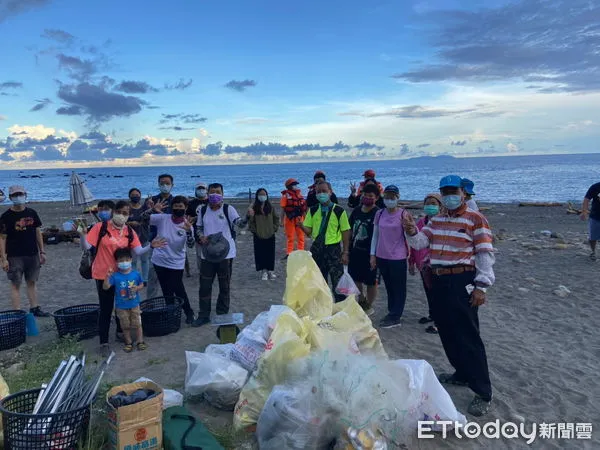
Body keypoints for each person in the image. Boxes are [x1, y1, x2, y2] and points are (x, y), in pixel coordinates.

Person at [403, 174, 495, 416]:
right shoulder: (438, 219)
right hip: (439, 279)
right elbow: (421, 243)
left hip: (462, 280)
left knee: (468, 335)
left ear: (463, 193)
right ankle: (461, 373)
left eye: (453, 191)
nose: (449, 196)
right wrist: (412, 231)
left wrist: (481, 286)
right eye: (445, 192)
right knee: (446, 329)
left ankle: (483, 391)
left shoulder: (476, 219)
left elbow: (484, 253)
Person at [79, 200, 165, 356]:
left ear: (129, 215)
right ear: (114, 212)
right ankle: (104, 342)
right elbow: (87, 247)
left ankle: (120, 332)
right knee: (105, 309)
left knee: (122, 304)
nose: (122, 215)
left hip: (123, 275)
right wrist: (82, 236)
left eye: (126, 213)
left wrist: (151, 246)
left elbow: (138, 251)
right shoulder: (100, 228)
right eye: (120, 212)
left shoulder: (129, 231)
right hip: (103, 275)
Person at [193, 183, 247, 327]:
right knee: (204, 285)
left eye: (217, 192)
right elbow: (198, 227)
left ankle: (222, 312)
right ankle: (203, 315)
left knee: (224, 285)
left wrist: (248, 217)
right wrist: (201, 236)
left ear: (222, 194)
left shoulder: (228, 209)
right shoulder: (203, 210)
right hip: (207, 254)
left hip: (226, 254)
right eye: (212, 192)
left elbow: (240, 224)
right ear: (207, 193)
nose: (214, 194)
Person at [145, 195, 196, 324]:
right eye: (175, 206)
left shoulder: (187, 224)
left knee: (178, 288)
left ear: (185, 208)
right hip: (159, 260)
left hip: (176, 262)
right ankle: (171, 313)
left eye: (181, 206)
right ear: (171, 208)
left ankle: (189, 312)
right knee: (166, 289)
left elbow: (190, 244)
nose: (178, 208)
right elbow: (143, 219)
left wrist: (189, 232)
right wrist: (152, 210)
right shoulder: (163, 218)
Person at [0, 185, 49, 316]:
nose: (18, 197)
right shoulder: (6, 217)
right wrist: (3, 259)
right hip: (14, 256)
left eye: (20, 194)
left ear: (25, 195)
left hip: (32, 253)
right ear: (10, 197)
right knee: (16, 284)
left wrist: (42, 251)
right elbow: (2, 238)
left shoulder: (32, 213)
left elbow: (38, 232)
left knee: (32, 282)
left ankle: (35, 308)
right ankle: (17, 312)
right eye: (15, 195)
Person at [301, 181, 351, 302]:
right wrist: (300, 225)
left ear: (330, 192)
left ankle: (341, 308)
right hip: (317, 250)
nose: (321, 194)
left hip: (333, 249)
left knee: (338, 282)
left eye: (324, 191)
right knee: (319, 282)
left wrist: (345, 252)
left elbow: (346, 232)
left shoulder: (339, 211)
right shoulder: (312, 211)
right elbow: (308, 232)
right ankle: (323, 307)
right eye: (318, 192)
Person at [369, 185, 410, 328]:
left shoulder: (403, 214)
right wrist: (372, 255)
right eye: (387, 197)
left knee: (399, 287)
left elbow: (408, 235)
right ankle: (391, 311)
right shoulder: (379, 214)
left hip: (398, 257)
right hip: (382, 256)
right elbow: (375, 236)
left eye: (392, 197)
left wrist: (410, 258)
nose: (389, 200)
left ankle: (395, 315)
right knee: (389, 286)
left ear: (397, 198)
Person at [408, 193, 446, 334]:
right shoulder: (420, 223)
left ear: (440, 206)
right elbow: (413, 244)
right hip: (423, 265)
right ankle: (433, 315)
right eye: (427, 203)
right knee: (429, 292)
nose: (430, 206)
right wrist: (411, 262)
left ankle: (439, 322)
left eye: (433, 203)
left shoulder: (443, 223)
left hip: (439, 265)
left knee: (438, 294)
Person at [103, 248, 146, 352]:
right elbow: (106, 287)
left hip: (134, 304)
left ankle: (140, 341)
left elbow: (142, 284)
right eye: (121, 261)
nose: (124, 263)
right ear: (116, 262)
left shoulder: (136, 274)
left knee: (137, 324)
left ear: (131, 260)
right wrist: (107, 277)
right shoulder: (115, 276)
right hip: (121, 306)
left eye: (126, 260)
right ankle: (128, 342)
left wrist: (137, 288)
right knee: (125, 326)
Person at [348, 183, 380, 315]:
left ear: (376, 197)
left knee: (371, 281)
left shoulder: (377, 213)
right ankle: (361, 299)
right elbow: (349, 229)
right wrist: (346, 248)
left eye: (370, 196)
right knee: (355, 278)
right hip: (355, 250)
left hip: (371, 252)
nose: (367, 198)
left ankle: (369, 304)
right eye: (365, 195)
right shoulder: (356, 210)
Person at [145, 174, 176, 297]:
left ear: (172, 185)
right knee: (152, 275)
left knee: (171, 277)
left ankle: (171, 303)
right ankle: (150, 304)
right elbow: (143, 219)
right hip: (155, 242)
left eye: (167, 183)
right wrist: (152, 210)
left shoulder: (176, 202)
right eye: (162, 183)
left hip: (172, 243)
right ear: (158, 184)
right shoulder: (151, 201)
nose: (165, 186)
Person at [248, 188, 280, 280]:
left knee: (270, 253)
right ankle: (263, 272)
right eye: (260, 195)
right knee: (260, 253)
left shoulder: (270, 207)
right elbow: (251, 221)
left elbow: (276, 218)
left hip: (270, 234)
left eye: (264, 194)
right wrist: (255, 231)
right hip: (258, 235)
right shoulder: (254, 208)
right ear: (257, 196)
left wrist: (274, 228)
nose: (262, 196)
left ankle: (270, 271)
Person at [127, 188, 150, 285]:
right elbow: (121, 221)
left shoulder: (144, 208)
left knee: (145, 260)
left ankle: (145, 279)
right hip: (131, 238)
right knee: (133, 261)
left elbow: (150, 219)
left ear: (140, 196)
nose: (135, 196)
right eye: (133, 195)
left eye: (137, 195)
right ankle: (134, 279)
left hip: (144, 236)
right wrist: (130, 223)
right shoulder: (127, 208)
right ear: (129, 196)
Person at [280, 178, 307, 257]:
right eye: (294, 185)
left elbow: (303, 209)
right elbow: (283, 209)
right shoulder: (285, 196)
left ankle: (301, 252)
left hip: (299, 218)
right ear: (289, 186)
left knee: (301, 236)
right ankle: (289, 253)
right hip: (289, 219)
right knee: (290, 237)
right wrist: (281, 221)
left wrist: (306, 220)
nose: (296, 186)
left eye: (296, 185)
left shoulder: (299, 195)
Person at [187, 182, 209, 272]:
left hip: (210, 230)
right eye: (199, 189)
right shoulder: (191, 203)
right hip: (197, 232)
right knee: (199, 254)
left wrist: (197, 217)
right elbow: (188, 217)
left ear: (206, 190)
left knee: (211, 252)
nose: (201, 191)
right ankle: (202, 271)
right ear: (195, 191)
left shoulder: (211, 202)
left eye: (203, 189)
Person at [580, 181, 600, 261]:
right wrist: (584, 211)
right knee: (593, 237)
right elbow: (586, 199)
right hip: (595, 216)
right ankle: (593, 251)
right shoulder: (595, 187)